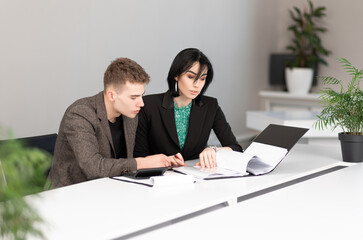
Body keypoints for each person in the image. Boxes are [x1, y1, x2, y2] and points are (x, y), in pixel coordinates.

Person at [49, 58, 183, 188]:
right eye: (134, 97)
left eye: (141, 95)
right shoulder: (79, 114)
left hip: (109, 191)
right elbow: (94, 168)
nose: (141, 103)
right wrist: (142, 163)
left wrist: (162, 162)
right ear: (111, 95)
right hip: (69, 195)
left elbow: (125, 163)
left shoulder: (130, 115)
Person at [134, 48, 242, 168]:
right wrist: (163, 161)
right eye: (191, 77)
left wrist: (213, 150)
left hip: (196, 177)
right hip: (158, 178)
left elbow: (236, 148)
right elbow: (138, 157)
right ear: (176, 75)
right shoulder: (148, 105)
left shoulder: (211, 106)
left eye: (202, 78)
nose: (197, 85)